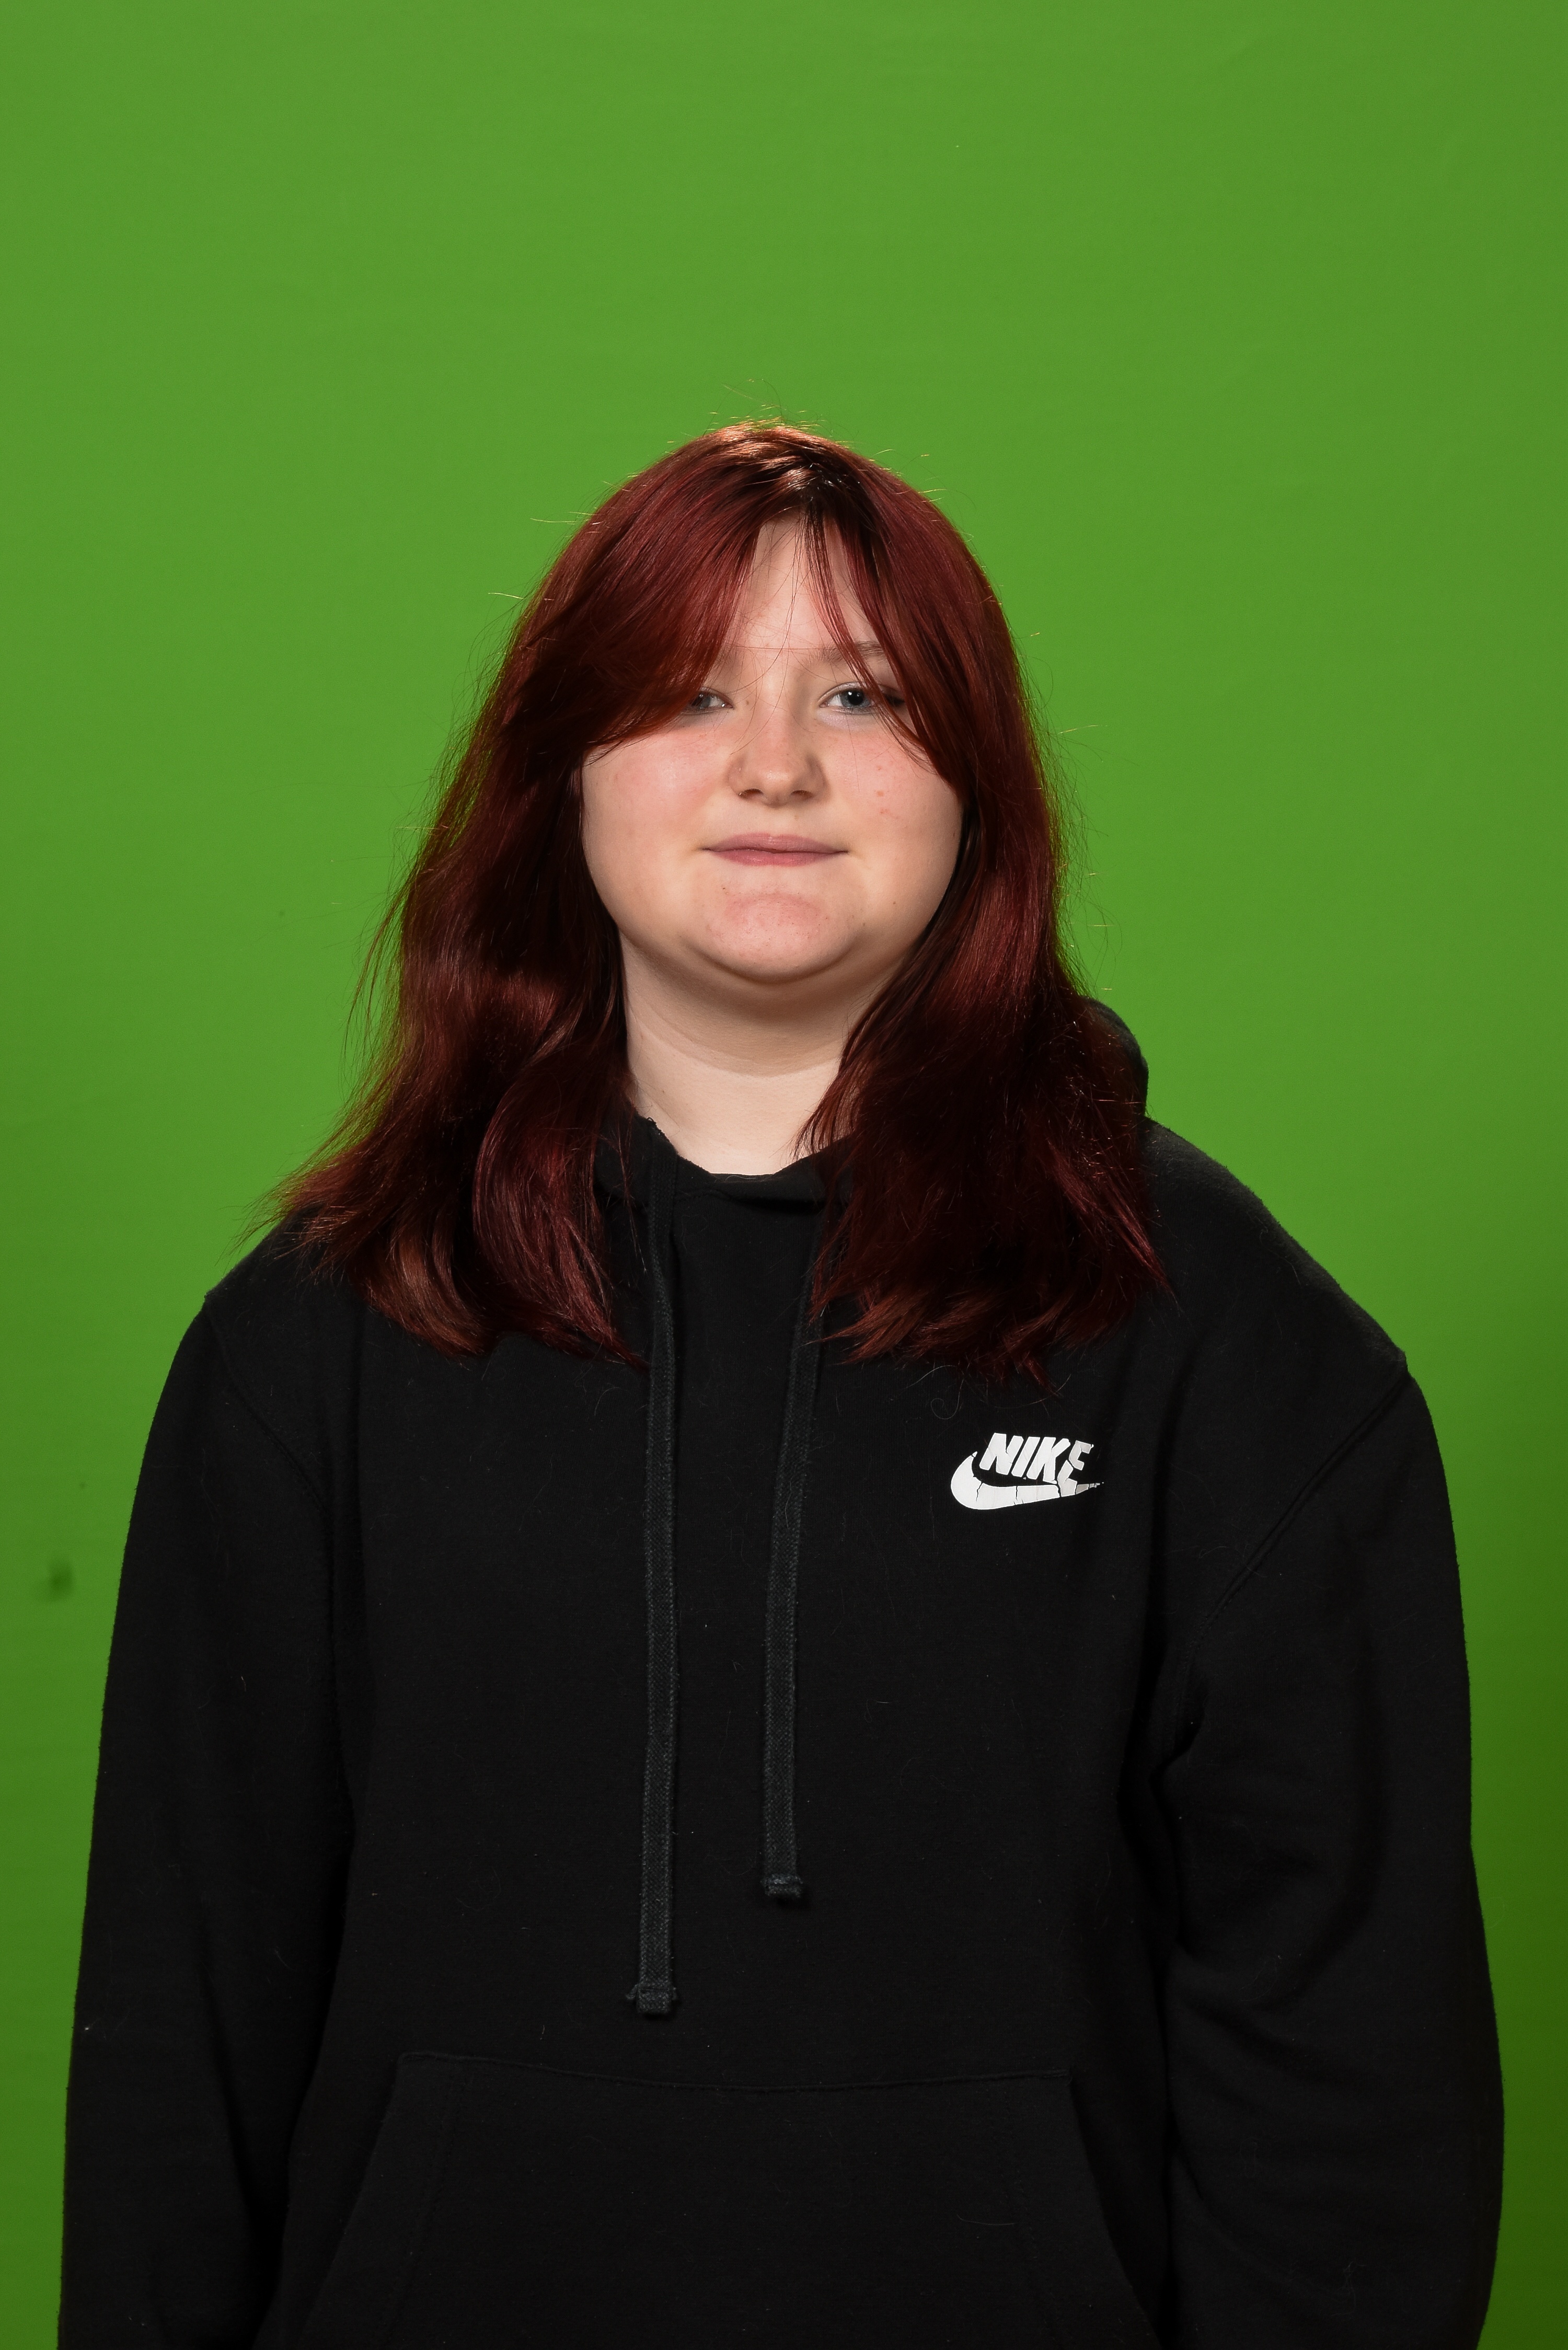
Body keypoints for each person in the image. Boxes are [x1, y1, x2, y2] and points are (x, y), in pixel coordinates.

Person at [61, 424, 1502, 2349]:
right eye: (688, 692)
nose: (774, 766)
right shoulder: (323, 1332)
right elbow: (181, 2040)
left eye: (862, 695)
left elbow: (1348, 2057)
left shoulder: (1216, 1334)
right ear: (563, 773)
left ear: (975, 782)